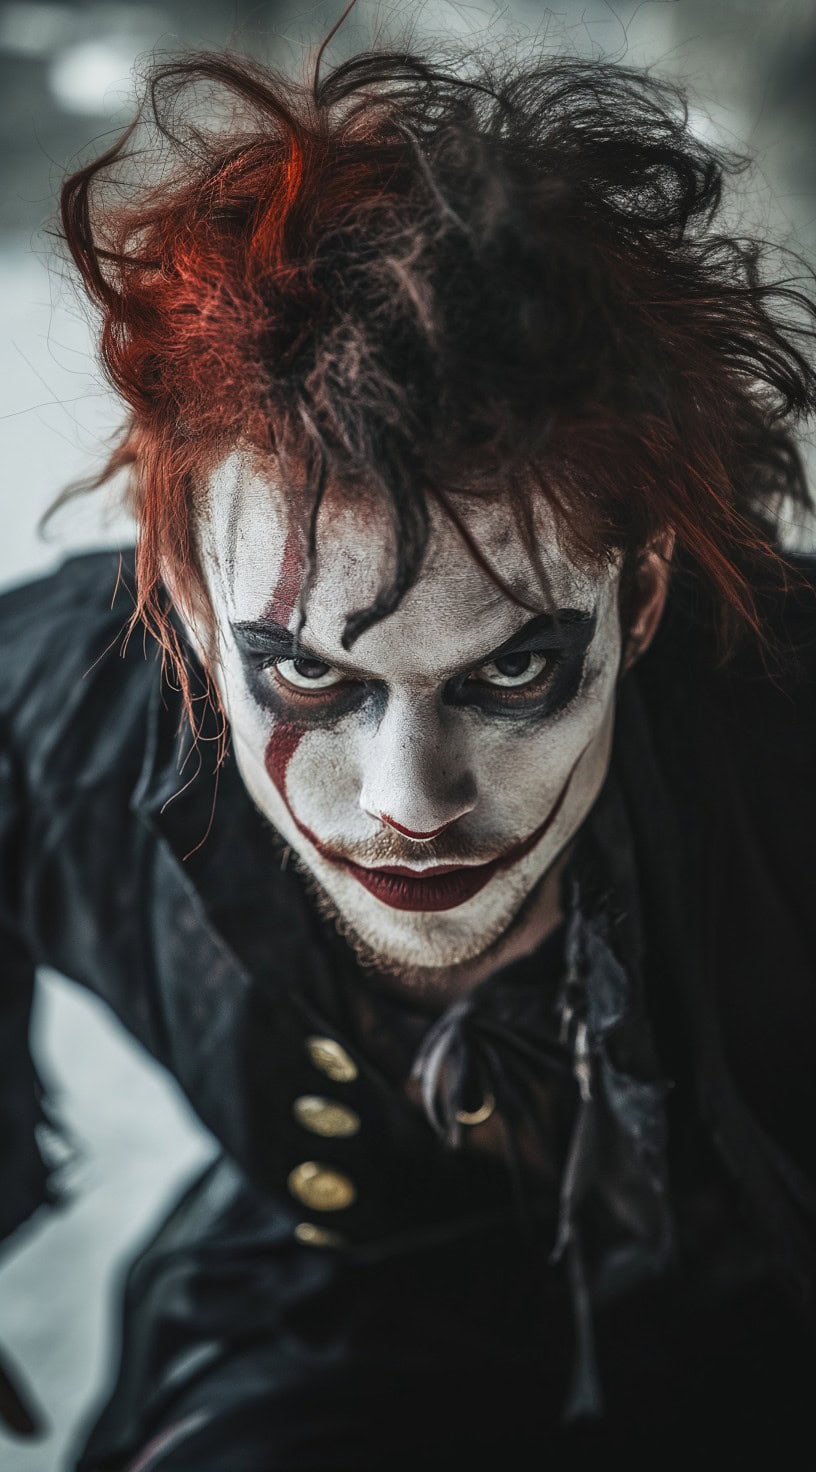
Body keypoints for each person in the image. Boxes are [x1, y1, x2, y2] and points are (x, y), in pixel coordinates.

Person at [1, 25, 815, 1470]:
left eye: (511, 669)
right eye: (309, 674)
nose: (407, 806)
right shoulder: (62, 711)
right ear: (189, 602)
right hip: (324, 1298)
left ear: (638, 598)